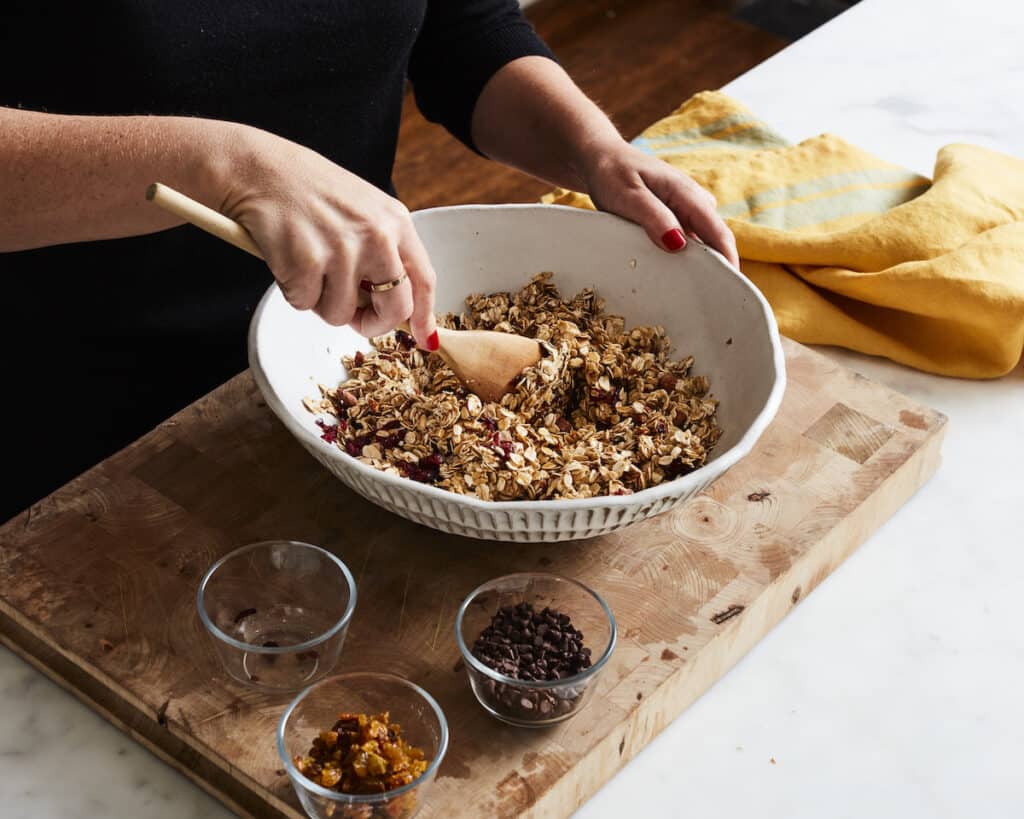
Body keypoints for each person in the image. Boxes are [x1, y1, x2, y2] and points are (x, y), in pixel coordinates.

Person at [0, 0, 738, 522]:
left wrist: (593, 149)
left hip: (356, 333)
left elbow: (460, 28)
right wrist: (220, 161)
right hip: (80, 419)